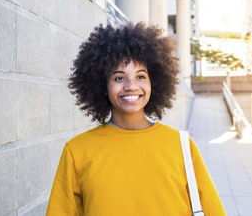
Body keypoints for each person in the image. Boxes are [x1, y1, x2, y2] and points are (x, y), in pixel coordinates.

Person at [46, 23, 226, 215]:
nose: (131, 86)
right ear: (102, 85)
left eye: (141, 76)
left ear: (154, 82)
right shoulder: (77, 151)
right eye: (118, 78)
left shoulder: (181, 145)